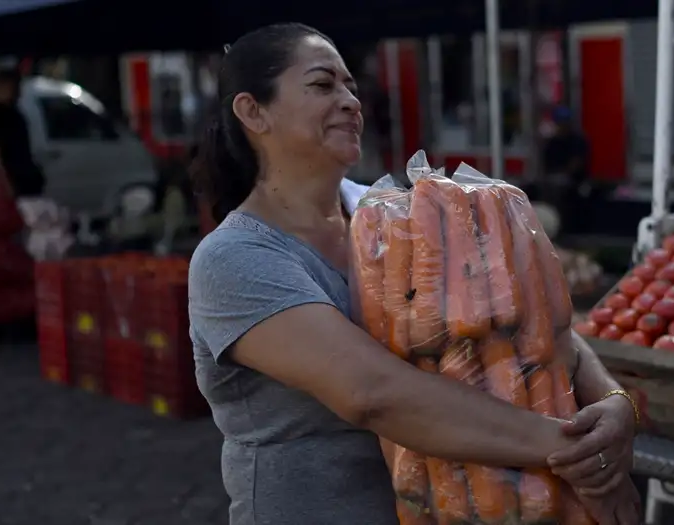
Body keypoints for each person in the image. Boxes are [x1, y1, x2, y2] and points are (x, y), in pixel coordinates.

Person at [188, 23, 641, 525]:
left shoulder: (397, 217)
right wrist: (574, 452)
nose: (350, 101)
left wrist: (613, 405)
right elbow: (371, 393)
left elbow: (536, 324)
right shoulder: (235, 258)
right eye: (322, 85)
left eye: (350, 87)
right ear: (253, 111)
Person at [0, 69, 45, 198]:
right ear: (2, 87)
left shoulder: (18, 115)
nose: (18, 92)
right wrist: (7, 183)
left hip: (24, 180)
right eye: (14, 87)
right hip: (10, 181)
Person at [542, 106, 590, 231]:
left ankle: (565, 227)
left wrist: (564, 174)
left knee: (561, 191)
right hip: (554, 178)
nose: (562, 126)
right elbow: (547, 164)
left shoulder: (578, 140)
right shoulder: (553, 142)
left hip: (574, 180)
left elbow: (577, 164)